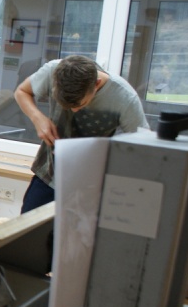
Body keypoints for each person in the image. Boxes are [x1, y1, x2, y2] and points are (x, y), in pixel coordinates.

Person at [14, 54, 148, 213]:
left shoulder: (124, 97)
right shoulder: (52, 70)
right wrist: (38, 118)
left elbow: (143, 149)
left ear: (96, 84)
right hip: (49, 177)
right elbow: (22, 91)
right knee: (28, 227)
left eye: (80, 104)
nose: (74, 110)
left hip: (90, 188)